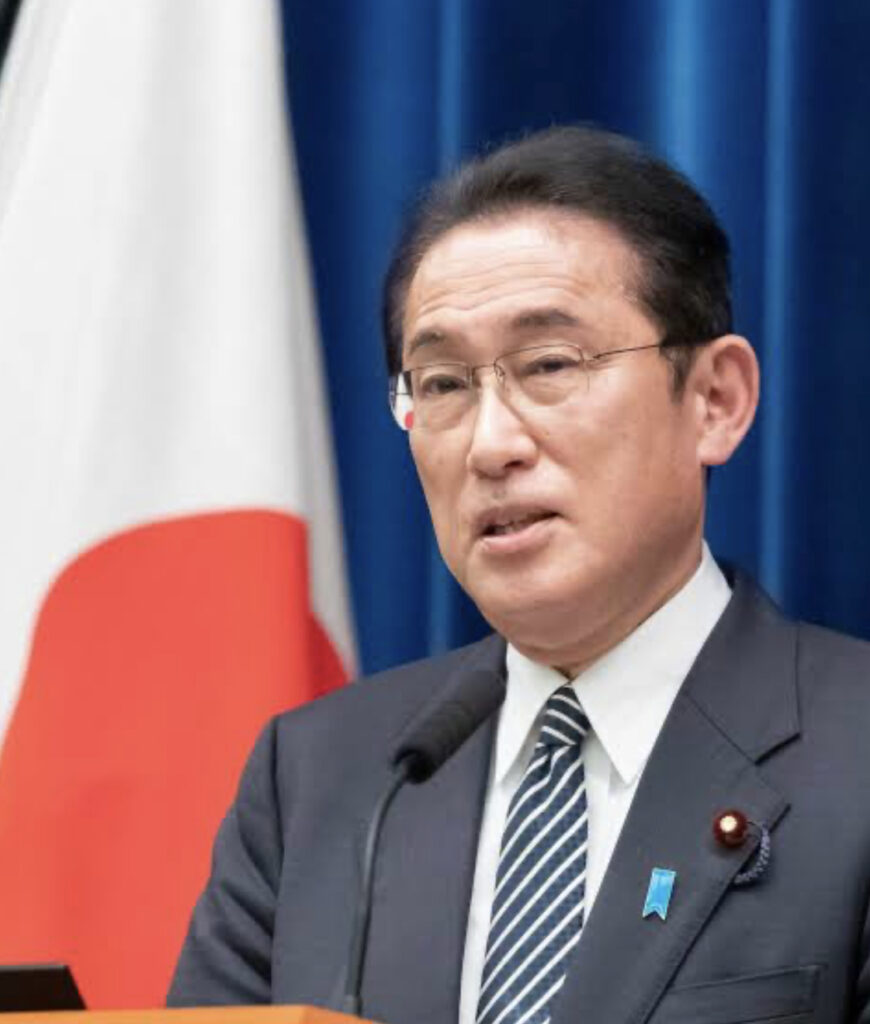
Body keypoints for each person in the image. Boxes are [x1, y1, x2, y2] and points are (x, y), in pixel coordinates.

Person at [168, 126, 870, 1023]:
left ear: (714, 400)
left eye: (549, 366)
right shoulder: (319, 781)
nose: (491, 444)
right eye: (443, 384)